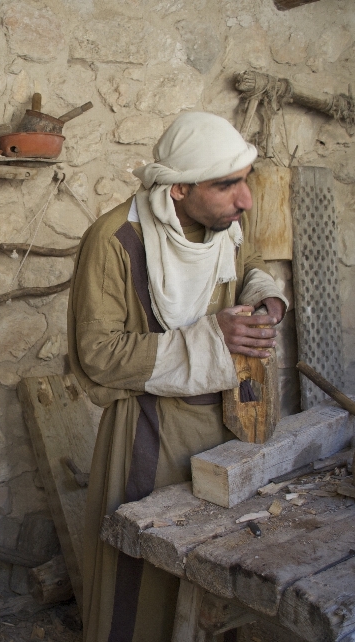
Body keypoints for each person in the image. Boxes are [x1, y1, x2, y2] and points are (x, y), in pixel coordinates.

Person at [67, 111, 288, 642]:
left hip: (227, 428)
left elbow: (249, 261)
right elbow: (97, 354)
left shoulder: (224, 225)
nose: (245, 200)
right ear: (179, 188)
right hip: (150, 435)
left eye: (246, 180)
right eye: (227, 184)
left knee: (220, 577)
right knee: (144, 582)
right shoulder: (115, 240)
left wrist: (267, 300)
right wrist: (215, 341)